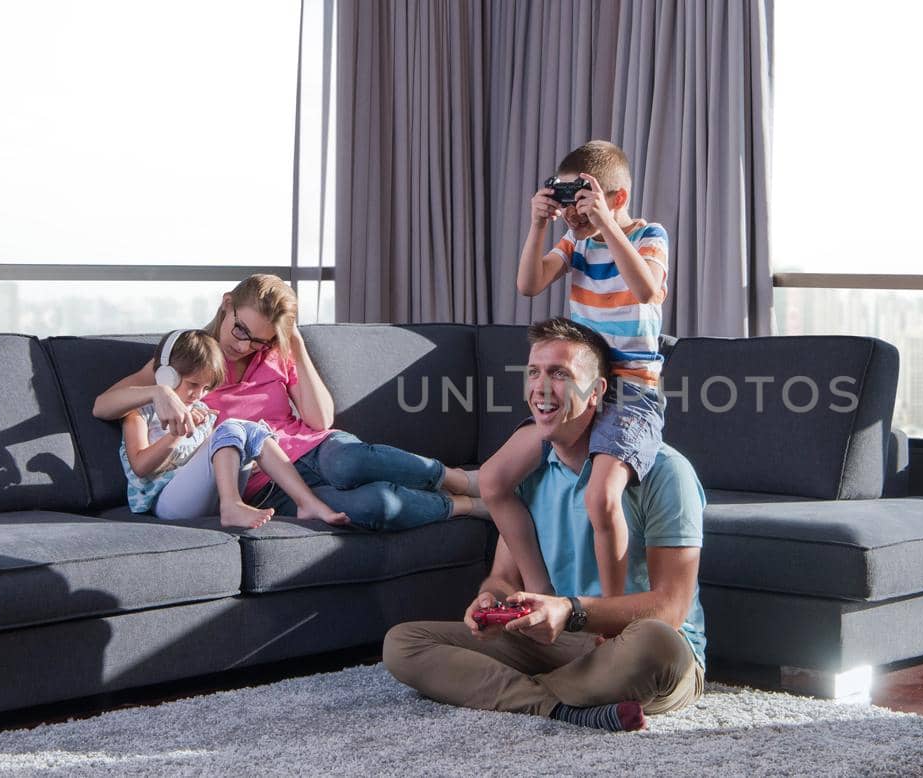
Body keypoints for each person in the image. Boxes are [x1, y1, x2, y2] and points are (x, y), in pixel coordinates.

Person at [383, 318, 706, 732]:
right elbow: (502, 577)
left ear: (596, 393)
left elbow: (671, 608)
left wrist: (571, 611)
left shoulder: (665, 472)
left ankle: (512, 693)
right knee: (403, 644)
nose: (541, 387)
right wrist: (489, 602)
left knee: (657, 645)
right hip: (556, 643)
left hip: (628, 646)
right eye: (534, 372)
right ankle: (562, 708)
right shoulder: (527, 475)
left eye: (560, 374)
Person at [94, 274, 485, 530]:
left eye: (259, 340)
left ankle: (460, 478)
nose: (244, 345)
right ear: (226, 303)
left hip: (315, 450)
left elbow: (319, 420)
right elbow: (104, 404)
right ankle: (464, 505)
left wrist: (293, 343)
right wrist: (158, 392)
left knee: (350, 461)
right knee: (374, 507)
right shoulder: (189, 361)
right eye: (241, 330)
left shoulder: (277, 353)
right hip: (269, 484)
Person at [481, 140, 671, 598]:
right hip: (578, 390)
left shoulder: (649, 235)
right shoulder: (574, 241)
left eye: (581, 204)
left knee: (601, 498)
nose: (573, 216)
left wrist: (605, 224)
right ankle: (540, 589)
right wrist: (537, 226)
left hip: (630, 392)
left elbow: (647, 290)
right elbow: (528, 285)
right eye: (566, 203)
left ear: (616, 199)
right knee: (493, 481)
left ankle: (609, 613)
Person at [118, 329, 350, 529]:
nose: (198, 395)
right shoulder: (140, 412)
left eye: (206, 388)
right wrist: (176, 435)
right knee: (230, 426)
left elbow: (210, 459)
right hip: (163, 502)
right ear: (165, 375)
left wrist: (249, 455)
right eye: (193, 385)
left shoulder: (202, 413)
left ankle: (306, 502)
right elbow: (140, 467)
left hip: (202, 497)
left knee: (250, 429)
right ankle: (231, 506)